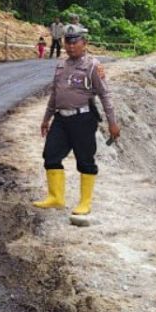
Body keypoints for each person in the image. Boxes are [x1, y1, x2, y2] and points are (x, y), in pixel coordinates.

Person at [33, 24, 120, 215]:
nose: (71, 46)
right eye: (68, 42)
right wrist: (46, 118)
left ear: (84, 43)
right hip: (61, 118)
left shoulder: (93, 66)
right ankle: (56, 197)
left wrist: (112, 122)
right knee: (51, 155)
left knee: (85, 160)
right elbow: (55, 94)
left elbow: (105, 95)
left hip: (83, 118)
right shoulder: (61, 65)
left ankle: (85, 202)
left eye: (75, 42)